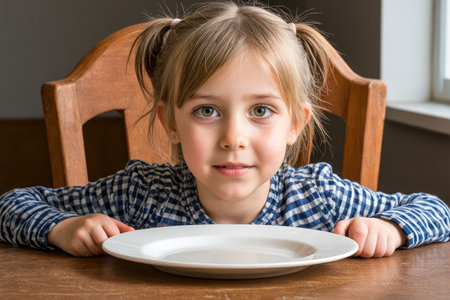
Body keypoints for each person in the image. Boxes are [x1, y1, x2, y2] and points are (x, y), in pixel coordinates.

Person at [0, 1, 449, 259]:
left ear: (295, 124)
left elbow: (435, 210)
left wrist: (391, 227)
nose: (234, 137)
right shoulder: (140, 193)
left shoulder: (319, 198)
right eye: (207, 111)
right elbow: (12, 206)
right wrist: (61, 228)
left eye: (261, 111)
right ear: (169, 121)